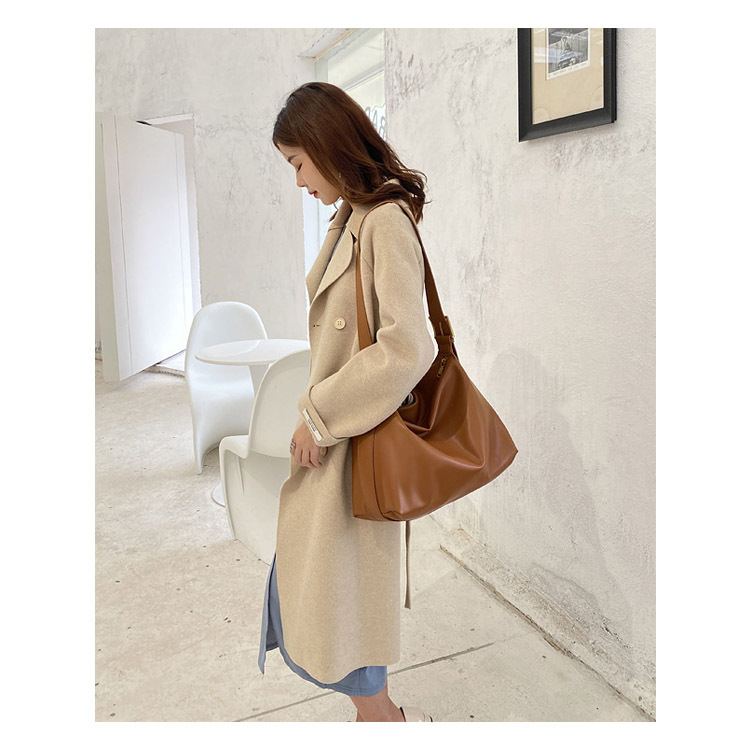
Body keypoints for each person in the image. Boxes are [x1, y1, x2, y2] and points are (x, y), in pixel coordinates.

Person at [257, 81, 435, 723]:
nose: (298, 181)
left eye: (298, 163)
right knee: (323, 586)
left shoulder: (383, 220)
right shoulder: (352, 218)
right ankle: (378, 714)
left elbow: (408, 347)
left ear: (328, 146)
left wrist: (319, 416)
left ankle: (382, 718)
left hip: (353, 437)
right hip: (341, 436)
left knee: (345, 597)